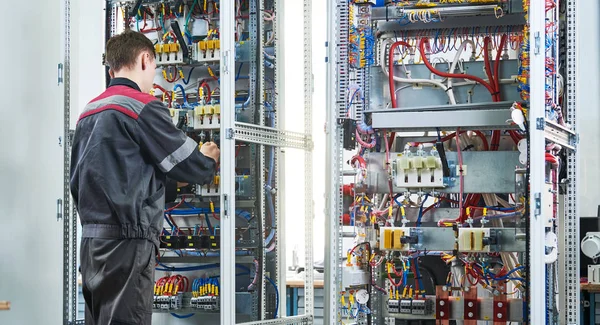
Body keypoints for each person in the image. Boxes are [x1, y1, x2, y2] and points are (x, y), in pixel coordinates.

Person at [70, 30, 220, 325]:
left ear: (111, 70)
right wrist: (209, 157)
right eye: (154, 68)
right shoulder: (142, 106)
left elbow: (115, 175)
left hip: (92, 245)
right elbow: (194, 166)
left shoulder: (88, 111)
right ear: (145, 59)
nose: (154, 77)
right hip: (128, 246)